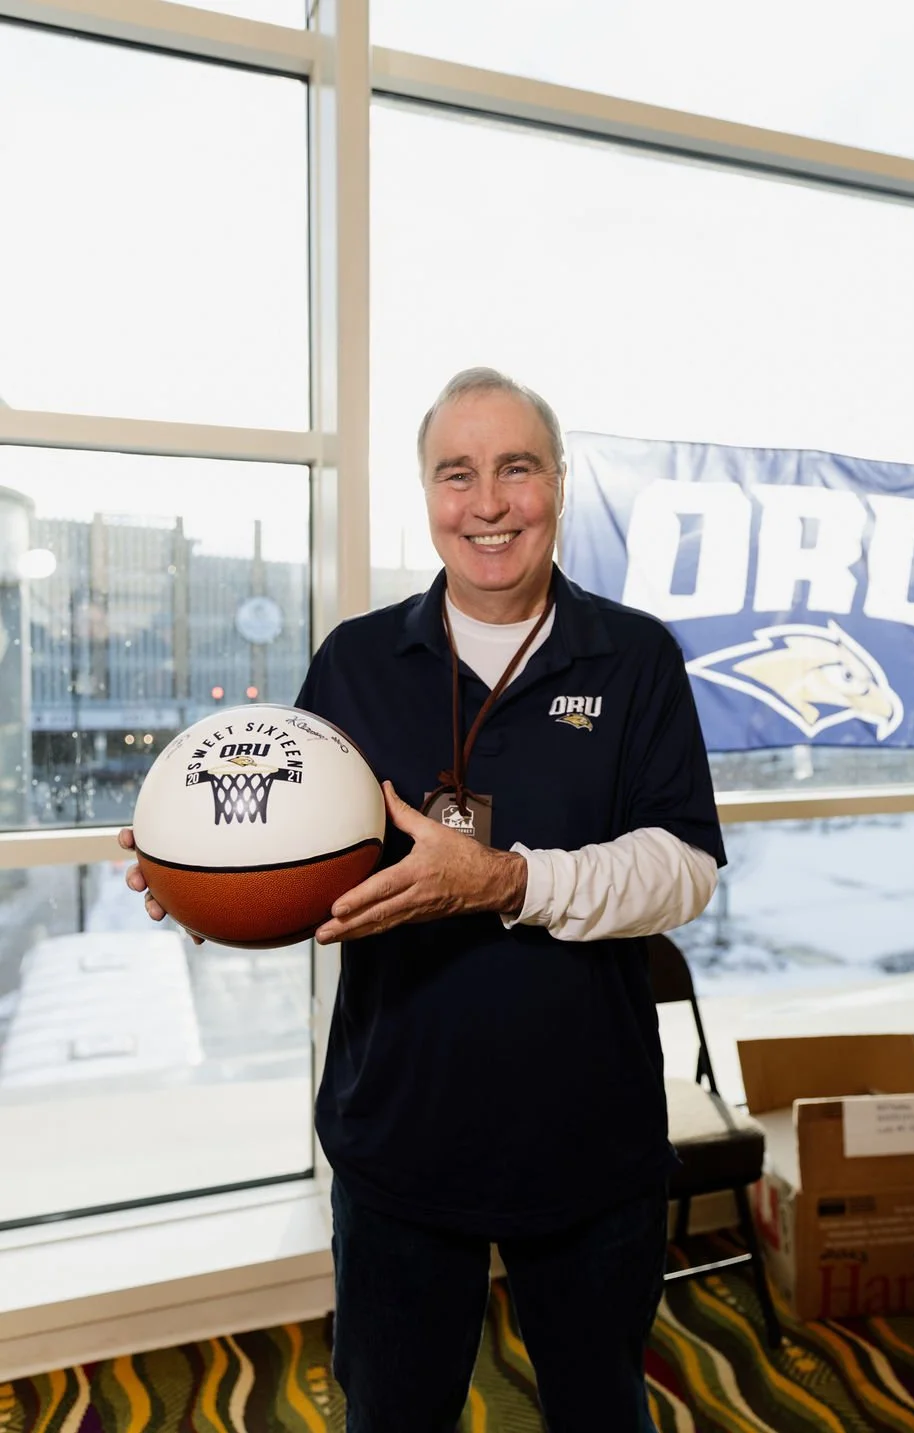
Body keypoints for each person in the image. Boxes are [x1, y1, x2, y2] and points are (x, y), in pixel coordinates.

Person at [121, 368, 725, 1433]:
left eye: (515, 468)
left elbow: (683, 869)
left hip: (586, 1132)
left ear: (558, 481)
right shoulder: (357, 659)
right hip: (398, 1131)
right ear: (427, 491)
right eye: (457, 473)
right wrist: (203, 874)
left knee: (601, 1408)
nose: (488, 503)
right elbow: (295, 849)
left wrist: (507, 880)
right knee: (395, 1414)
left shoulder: (635, 657)